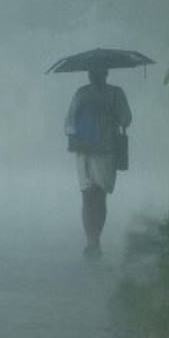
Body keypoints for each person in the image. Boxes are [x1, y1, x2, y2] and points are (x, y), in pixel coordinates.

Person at [65, 67, 131, 258]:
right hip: (90, 152)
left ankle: (94, 239)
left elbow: (126, 118)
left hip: (100, 151)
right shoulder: (87, 94)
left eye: (98, 72)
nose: (95, 75)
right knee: (90, 195)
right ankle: (92, 241)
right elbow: (69, 122)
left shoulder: (109, 94)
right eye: (93, 72)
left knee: (96, 195)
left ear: (104, 73)